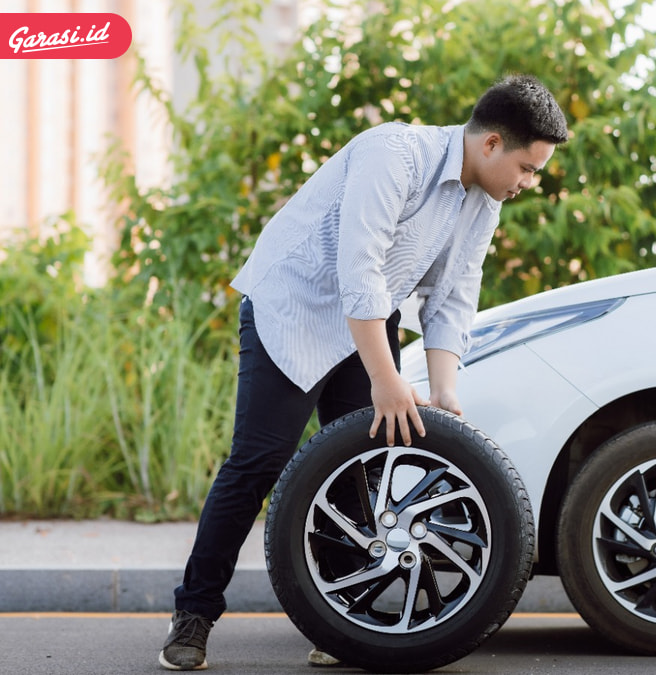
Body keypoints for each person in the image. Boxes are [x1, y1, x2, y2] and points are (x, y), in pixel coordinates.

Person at [158, 74, 569, 671]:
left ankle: (340, 622)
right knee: (259, 462)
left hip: (369, 322)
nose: (529, 184)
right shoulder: (392, 153)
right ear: (491, 144)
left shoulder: (484, 200)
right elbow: (360, 268)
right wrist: (385, 378)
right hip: (295, 308)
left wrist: (445, 390)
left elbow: (454, 297)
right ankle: (192, 617)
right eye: (529, 168)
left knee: (361, 472)